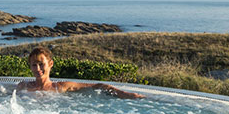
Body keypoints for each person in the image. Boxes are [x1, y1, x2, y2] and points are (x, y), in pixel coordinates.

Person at [16, 47, 144, 99]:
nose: (38, 69)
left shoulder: (61, 87)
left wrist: (125, 94)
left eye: (41, 64)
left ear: (50, 64)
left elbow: (97, 86)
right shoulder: (23, 86)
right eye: (34, 65)